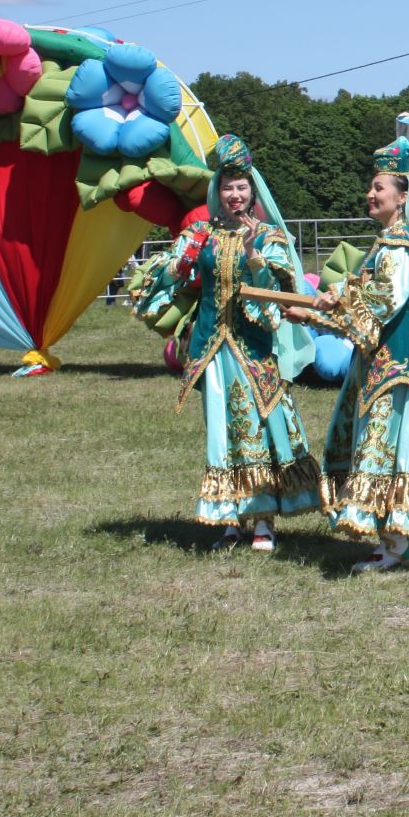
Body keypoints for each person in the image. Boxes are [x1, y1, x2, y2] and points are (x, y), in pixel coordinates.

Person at [292, 137, 409, 572]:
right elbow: (364, 289)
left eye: (380, 187)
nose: (370, 194)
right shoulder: (387, 243)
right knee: (380, 443)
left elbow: (383, 299)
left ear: (402, 197)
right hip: (381, 362)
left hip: (397, 366)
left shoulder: (400, 244)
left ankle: (395, 543)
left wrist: (330, 307)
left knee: (392, 445)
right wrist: (316, 307)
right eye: (371, 187)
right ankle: (392, 537)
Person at [133, 135, 322, 550]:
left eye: (242, 188)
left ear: (253, 192)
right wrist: (171, 268)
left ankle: (263, 521)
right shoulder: (201, 233)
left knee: (255, 425)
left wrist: (255, 257)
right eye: (227, 187)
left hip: (253, 349)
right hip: (211, 349)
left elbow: (279, 290)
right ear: (217, 191)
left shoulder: (269, 236)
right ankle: (229, 519)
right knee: (221, 429)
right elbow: (171, 271)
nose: (234, 195)